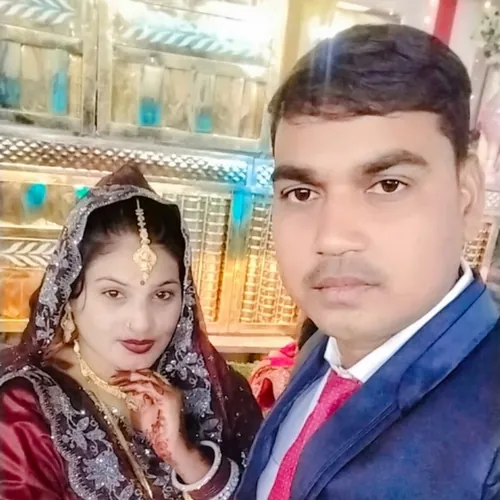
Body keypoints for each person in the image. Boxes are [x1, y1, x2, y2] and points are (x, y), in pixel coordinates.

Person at [237, 24, 500, 499]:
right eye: (302, 192)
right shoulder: (325, 348)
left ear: (467, 196)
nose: (332, 238)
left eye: (388, 185)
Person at [0, 164, 262, 499]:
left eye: (163, 295)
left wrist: (186, 458)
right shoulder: (25, 409)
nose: (141, 323)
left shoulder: (216, 390)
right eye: (114, 293)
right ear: (70, 294)